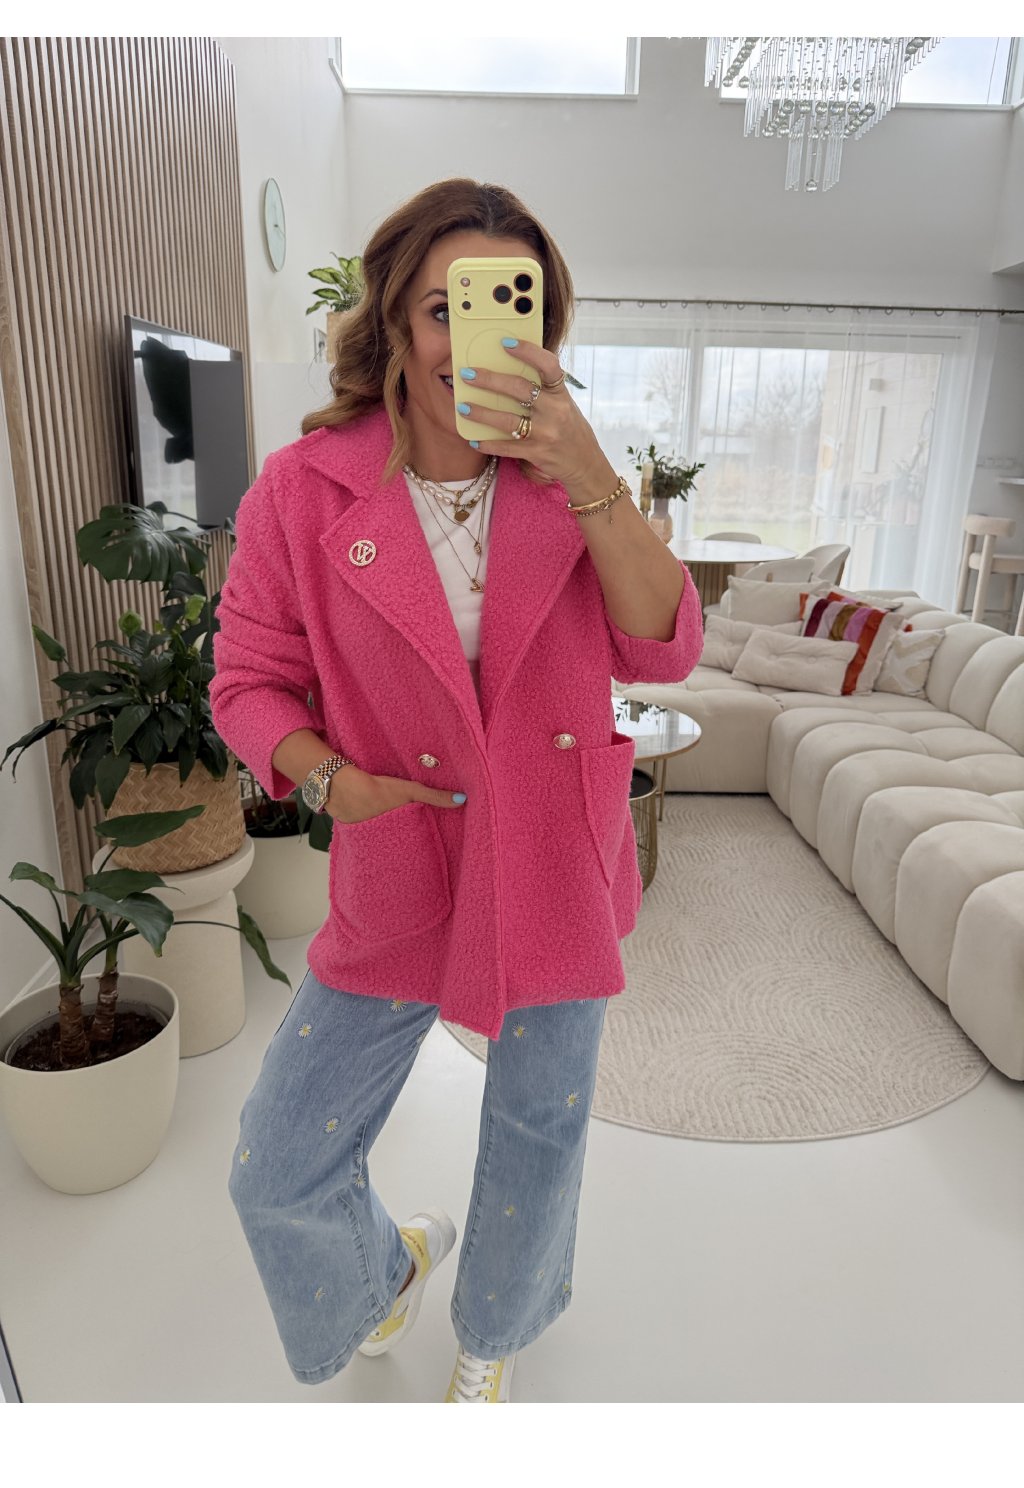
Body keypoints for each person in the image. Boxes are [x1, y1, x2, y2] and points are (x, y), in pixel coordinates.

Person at [209, 178, 703, 1404]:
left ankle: (494, 1332)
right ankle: (386, 1272)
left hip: (552, 851)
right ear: (394, 319)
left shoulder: (569, 478)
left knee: (537, 1131)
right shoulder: (303, 489)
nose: (469, 339)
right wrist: (326, 779)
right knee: (277, 1161)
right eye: (443, 309)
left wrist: (587, 472)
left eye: (505, 307)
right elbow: (248, 681)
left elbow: (662, 649)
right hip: (403, 851)